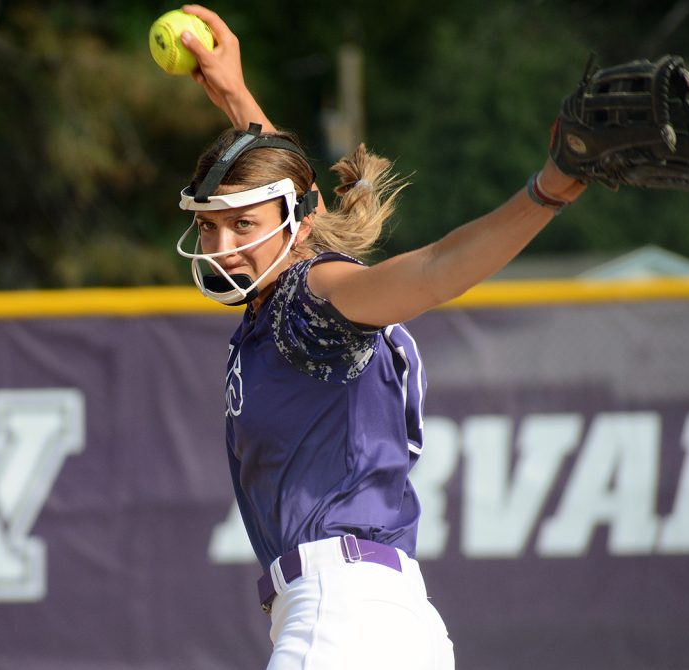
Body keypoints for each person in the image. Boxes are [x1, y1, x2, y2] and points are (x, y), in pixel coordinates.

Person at [174, 5, 586, 669]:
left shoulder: (315, 298)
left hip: (339, 622)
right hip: (395, 622)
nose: (221, 247)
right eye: (210, 228)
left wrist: (550, 189)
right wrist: (233, 95)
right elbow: (292, 197)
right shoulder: (286, 295)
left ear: (295, 224)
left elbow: (435, 272)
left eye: (240, 226)